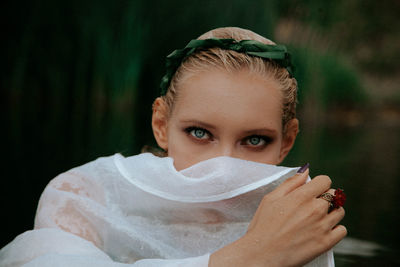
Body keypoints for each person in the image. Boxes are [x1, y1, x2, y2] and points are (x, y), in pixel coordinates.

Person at [0, 27, 346, 267]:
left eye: (254, 141)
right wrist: (250, 257)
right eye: (199, 133)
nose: (222, 168)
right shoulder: (86, 196)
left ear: (287, 142)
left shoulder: (295, 219)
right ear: (161, 125)